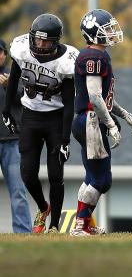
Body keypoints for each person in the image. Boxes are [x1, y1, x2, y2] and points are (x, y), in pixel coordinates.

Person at [2, 14, 78, 234]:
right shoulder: (22, 49)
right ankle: (43, 208)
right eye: (38, 40)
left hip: (55, 117)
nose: (41, 45)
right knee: (27, 173)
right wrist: (7, 111)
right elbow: (14, 78)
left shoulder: (66, 61)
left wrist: (65, 139)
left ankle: (54, 225)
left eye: (47, 41)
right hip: (30, 116)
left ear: (56, 41)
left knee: (56, 174)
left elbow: (69, 102)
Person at [70, 9, 132, 236]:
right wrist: (110, 125)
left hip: (88, 119)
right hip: (90, 121)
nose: (112, 33)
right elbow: (94, 96)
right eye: (106, 29)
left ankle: (85, 224)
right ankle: (80, 225)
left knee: (92, 177)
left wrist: (125, 116)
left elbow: (104, 98)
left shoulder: (101, 56)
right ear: (93, 33)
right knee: (102, 179)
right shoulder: (93, 56)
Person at [0, 39, 32, 233]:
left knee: (18, 191)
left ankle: (23, 232)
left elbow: (26, 97)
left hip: (12, 141)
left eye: (1, 52)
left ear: (5, 55)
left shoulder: (16, 74)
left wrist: (7, 86)